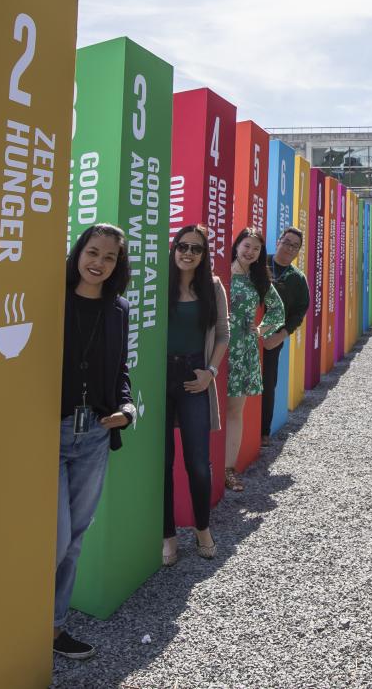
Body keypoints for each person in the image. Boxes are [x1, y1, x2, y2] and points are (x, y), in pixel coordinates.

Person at [53, 224, 138, 662]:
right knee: (55, 536)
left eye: (109, 257)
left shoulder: (119, 309)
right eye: (93, 251)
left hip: (96, 434)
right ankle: (19, 618)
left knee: (76, 537)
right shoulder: (51, 298)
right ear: (78, 252)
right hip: (48, 431)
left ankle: (52, 627)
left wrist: (128, 409)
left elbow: (121, 370)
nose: (98, 263)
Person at [163, 225, 229, 565]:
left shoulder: (212, 287)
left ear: (204, 256)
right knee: (161, 462)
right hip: (159, 377)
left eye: (196, 249)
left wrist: (210, 373)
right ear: (173, 248)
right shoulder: (159, 284)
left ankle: (202, 528)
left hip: (195, 377)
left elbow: (222, 335)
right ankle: (168, 535)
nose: (188, 252)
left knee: (198, 464)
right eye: (182, 246)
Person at [223, 228, 287, 490]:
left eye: (256, 249)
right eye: (246, 246)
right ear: (237, 245)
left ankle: (228, 469)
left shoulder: (258, 279)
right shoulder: (220, 272)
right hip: (218, 347)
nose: (250, 252)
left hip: (244, 351)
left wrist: (261, 329)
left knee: (234, 411)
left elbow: (278, 309)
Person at [261, 226, 310, 439]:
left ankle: (263, 433)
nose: (290, 248)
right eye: (287, 242)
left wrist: (279, 337)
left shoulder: (298, 279)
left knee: (268, 383)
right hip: (246, 335)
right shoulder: (259, 264)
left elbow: (299, 313)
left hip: (272, 340)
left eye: (295, 246)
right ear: (279, 240)